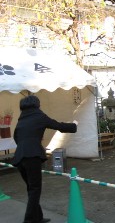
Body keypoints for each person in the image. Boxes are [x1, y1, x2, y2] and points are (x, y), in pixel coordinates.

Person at [12, 95, 78, 223]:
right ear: (37, 105)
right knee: (35, 189)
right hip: (32, 157)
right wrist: (74, 125)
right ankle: (29, 220)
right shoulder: (39, 116)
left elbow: (17, 138)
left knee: (31, 189)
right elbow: (58, 126)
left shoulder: (21, 120)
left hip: (20, 158)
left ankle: (38, 217)